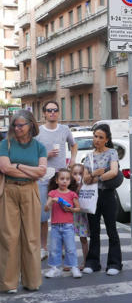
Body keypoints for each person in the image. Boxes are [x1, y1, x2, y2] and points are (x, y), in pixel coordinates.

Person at [0, 110, 47, 293]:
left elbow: (42, 171)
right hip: (9, 190)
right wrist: (30, 170)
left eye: (21, 125)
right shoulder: (5, 144)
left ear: (31, 126)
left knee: (31, 237)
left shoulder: (39, 147)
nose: (17, 128)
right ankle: (9, 283)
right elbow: (4, 168)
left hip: (30, 191)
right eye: (15, 125)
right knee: (8, 237)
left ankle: (32, 281)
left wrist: (18, 165)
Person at [36, 100, 77, 260]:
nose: (52, 113)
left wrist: (72, 160)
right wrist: (47, 155)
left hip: (61, 178)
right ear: (44, 113)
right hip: (44, 177)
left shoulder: (65, 129)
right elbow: (34, 155)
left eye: (55, 110)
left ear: (58, 113)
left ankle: (62, 248)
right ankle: (43, 248)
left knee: (62, 215)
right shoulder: (38, 132)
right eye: (49, 110)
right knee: (43, 216)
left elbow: (74, 145)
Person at [82, 124, 123, 276]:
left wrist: (96, 176)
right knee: (94, 230)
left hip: (108, 195)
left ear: (106, 140)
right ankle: (93, 262)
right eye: (95, 136)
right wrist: (96, 175)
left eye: (100, 137)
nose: (97, 140)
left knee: (112, 230)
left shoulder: (112, 152)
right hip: (93, 196)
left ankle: (115, 263)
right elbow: (85, 179)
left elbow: (113, 172)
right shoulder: (89, 156)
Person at [44, 169, 82, 279]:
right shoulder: (52, 193)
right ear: (56, 180)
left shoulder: (72, 194)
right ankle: (54, 268)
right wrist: (51, 201)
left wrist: (71, 209)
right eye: (62, 179)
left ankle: (73, 267)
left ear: (70, 181)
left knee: (70, 248)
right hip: (55, 226)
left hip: (68, 226)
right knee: (54, 249)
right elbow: (46, 209)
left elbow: (78, 208)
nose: (64, 181)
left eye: (67, 179)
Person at [70, 163, 89, 270]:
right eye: (75, 173)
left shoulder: (86, 185)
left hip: (83, 216)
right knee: (68, 238)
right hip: (73, 216)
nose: (78, 176)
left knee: (83, 238)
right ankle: (70, 263)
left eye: (80, 173)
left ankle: (86, 261)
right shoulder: (69, 186)